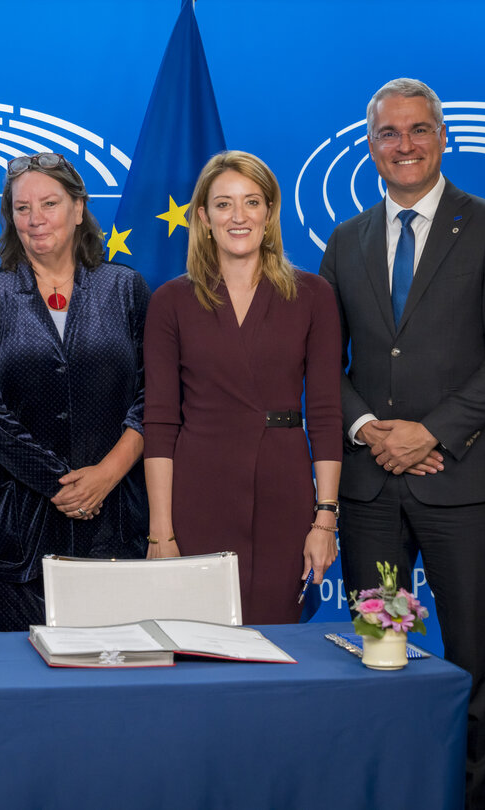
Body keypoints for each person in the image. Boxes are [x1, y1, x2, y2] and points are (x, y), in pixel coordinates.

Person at [319, 78, 485, 810]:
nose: (403, 145)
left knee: (469, 659)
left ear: (441, 137)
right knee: (377, 656)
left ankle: (464, 801)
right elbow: (324, 362)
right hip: (372, 491)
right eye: (388, 133)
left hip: (461, 487)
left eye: (417, 130)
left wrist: (430, 432)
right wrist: (368, 432)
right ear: (370, 145)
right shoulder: (344, 240)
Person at [0, 152, 149, 631]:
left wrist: (105, 474)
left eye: (49, 203)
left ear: (79, 209)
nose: (35, 219)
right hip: (15, 531)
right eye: (22, 208)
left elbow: (154, 395)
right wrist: (65, 486)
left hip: (112, 522)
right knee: (13, 685)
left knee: (112, 673)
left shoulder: (125, 288)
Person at [144, 150, 342, 625]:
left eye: (252, 202)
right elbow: (160, 420)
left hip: (284, 490)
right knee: (199, 645)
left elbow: (326, 412)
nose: (238, 217)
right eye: (224, 204)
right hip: (198, 491)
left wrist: (325, 519)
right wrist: (161, 532)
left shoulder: (313, 295)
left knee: (278, 644)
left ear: (269, 214)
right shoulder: (170, 301)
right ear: (203, 217)